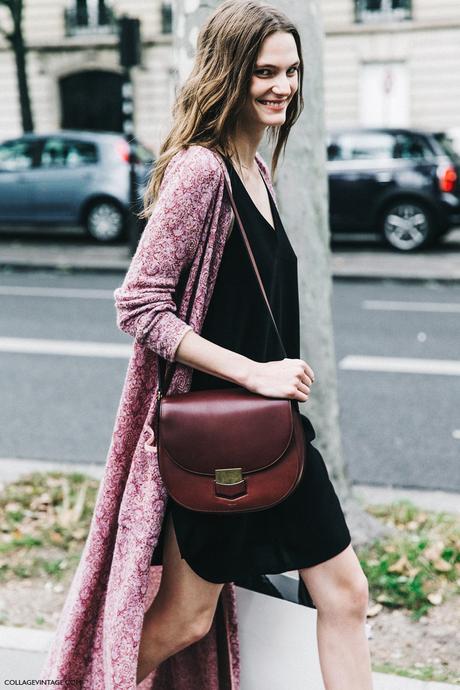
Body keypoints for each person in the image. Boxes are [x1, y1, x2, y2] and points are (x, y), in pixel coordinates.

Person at [128, 1, 374, 688]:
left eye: (291, 71)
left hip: (278, 436)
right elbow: (140, 305)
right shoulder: (201, 172)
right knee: (184, 620)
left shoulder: (258, 171)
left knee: (346, 595)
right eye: (264, 71)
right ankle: (95, 679)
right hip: (218, 446)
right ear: (227, 74)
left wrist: (274, 379)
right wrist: (256, 373)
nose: (282, 86)